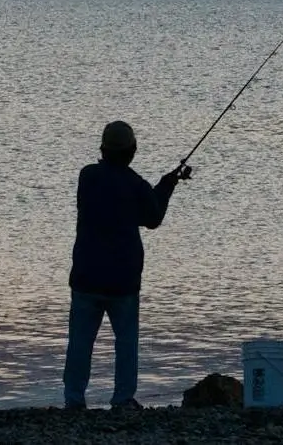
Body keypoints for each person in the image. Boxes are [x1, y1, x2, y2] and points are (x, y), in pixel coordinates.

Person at [63, 120, 191, 410]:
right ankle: (122, 400)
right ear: (132, 151)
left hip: (86, 276)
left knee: (80, 344)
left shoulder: (88, 177)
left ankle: (74, 400)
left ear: (103, 149)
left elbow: (133, 205)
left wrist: (163, 185)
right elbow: (153, 217)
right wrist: (167, 186)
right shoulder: (136, 185)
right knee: (126, 343)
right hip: (123, 280)